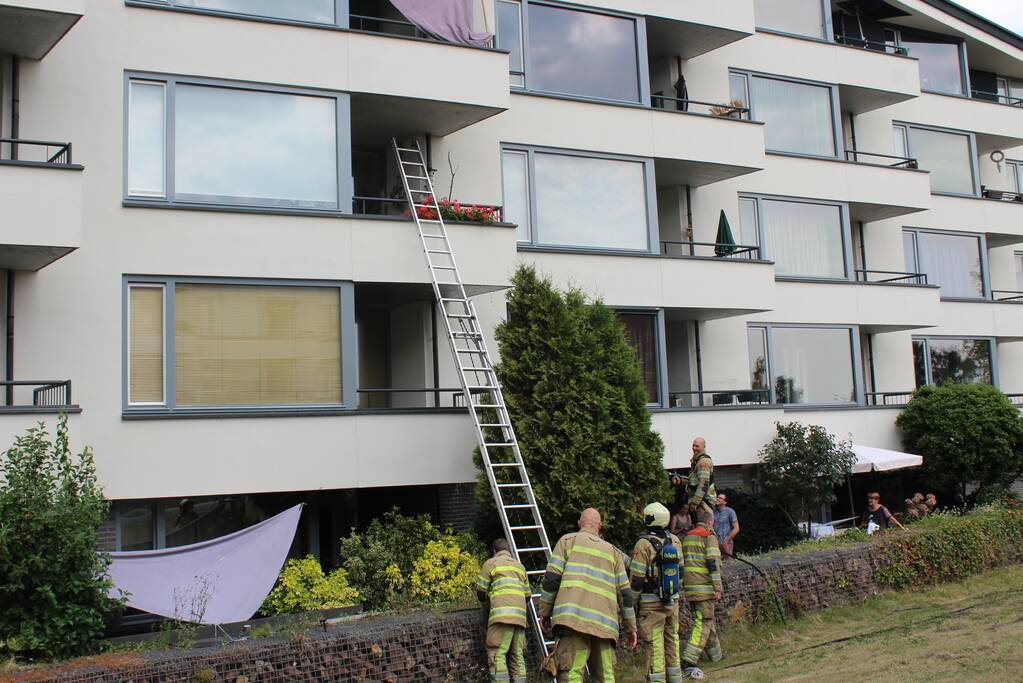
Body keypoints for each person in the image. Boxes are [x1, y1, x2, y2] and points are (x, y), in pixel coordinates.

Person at [538, 508, 638, 683]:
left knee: (572, 674)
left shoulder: (567, 542)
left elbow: (551, 580)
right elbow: (626, 595)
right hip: (605, 627)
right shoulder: (613, 553)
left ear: (579, 524)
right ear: (600, 526)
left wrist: (544, 612)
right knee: (605, 677)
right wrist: (631, 628)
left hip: (573, 623)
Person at [629, 502, 684, 683]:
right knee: (672, 639)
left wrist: (631, 604)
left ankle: (657, 680)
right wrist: (674, 594)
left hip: (651, 604)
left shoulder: (643, 544)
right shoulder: (675, 541)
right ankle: (676, 679)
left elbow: (636, 580)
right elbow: (681, 572)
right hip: (672, 600)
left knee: (655, 644)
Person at [476, 538, 530, 683]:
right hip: (520, 618)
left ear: (494, 551)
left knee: (497, 654)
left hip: (501, 617)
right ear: (509, 550)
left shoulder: (490, 563)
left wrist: (488, 604)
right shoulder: (520, 566)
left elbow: (481, 592)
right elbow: (528, 595)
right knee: (517, 655)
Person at [681, 509, 723, 680]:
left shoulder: (687, 537)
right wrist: (718, 587)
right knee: (704, 622)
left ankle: (717, 656)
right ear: (710, 522)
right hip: (705, 588)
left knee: (707, 621)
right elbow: (712, 563)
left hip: (690, 588)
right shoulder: (708, 536)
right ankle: (689, 660)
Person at [685, 438, 716, 516]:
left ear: (703, 447)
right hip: (701, 503)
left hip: (704, 503)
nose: (694, 448)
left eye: (697, 446)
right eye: (693, 445)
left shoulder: (703, 462)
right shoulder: (697, 460)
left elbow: (703, 484)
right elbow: (694, 480)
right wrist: (681, 481)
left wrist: (695, 502)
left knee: (704, 527)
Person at [713, 494, 739, 559]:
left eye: (720, 498)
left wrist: (727, 540)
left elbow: (736, 528)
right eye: (717, 497)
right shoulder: (713, 511)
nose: (717, 499)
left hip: (727, 543)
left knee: (728, 562)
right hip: (716, 542)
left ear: (725, 502)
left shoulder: (730, 511)